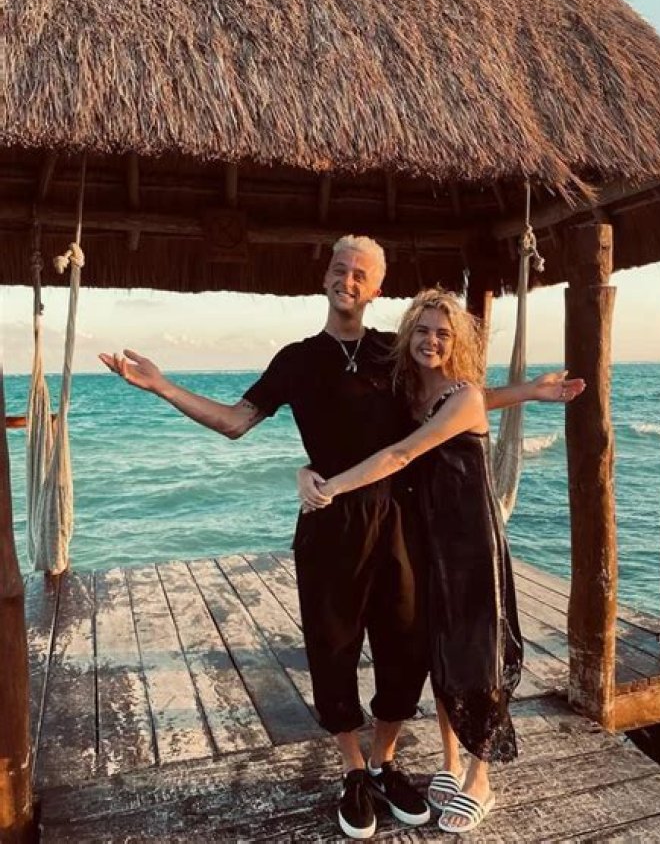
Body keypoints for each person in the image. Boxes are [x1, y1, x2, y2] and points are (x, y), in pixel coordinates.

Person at [100, 236, 582, 840]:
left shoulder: (392, 351)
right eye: (339, 268)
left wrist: (530, 392)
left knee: (406, 647)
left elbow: (453, 401)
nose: (347, 279)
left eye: (360, 273)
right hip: (329, 523)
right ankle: (353, 769)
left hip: (400, 518)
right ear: (325, 277)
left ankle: (385, 760)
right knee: (333, 647)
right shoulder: (296, 360)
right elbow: (234, 421)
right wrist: (163, 387)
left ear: (376, 288)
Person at [298, 288, 585, 834]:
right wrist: (529, 390)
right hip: (423, 535)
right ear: (409, 334)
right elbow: (473, 401)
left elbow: (403, 451)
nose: (432, 340)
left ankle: (481, 777)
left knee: (476, 654)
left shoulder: (461, 395)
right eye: (424, 330)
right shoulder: (410, 392)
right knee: (437, 651)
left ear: (459, 344)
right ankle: (450, 763)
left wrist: (330, 487)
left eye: (444, 334)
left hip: (469, 539)